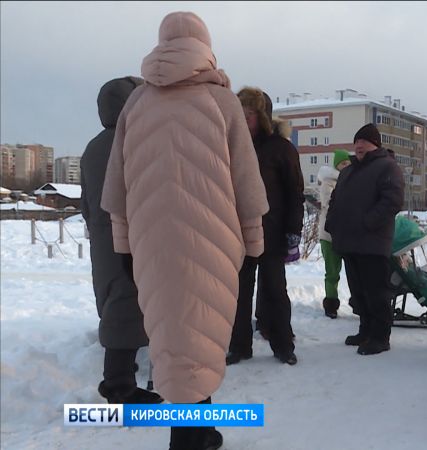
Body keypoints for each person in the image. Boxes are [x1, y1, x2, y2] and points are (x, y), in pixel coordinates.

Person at [101, 12, 268, 450]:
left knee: (172, 335)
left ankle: (196, 430)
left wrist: (123, 241)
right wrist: (254, 238)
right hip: (213, 239)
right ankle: (189, 437)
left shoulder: (136, 104)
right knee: (202, 333)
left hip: (150, 241)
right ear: (205, 45)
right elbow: (247, 182)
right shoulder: (222, 101)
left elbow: (115, 185)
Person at [81, 76, 163, 406]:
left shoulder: (92, 147)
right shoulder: (133, 141)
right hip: (131, 235)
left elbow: (86, 203)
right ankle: (118, 388)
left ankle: (122, 376)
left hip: (103, 237)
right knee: (127, 304)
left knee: (117, 300)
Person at [227, 87, 304, 366]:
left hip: (272, 232)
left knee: (274, 290)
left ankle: (283, 344)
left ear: (262, 116)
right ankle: (239, 346)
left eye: (248, 115)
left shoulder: (281, 149)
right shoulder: (232, 146)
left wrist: (293, 230)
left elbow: (295, 192)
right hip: (239, 232)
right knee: (240, 292)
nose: (244, 120)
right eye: (240, 114)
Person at [325, 123, 404, 355]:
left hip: (372, 242)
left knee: (375, 292)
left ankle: (380, 336)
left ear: (375, 144)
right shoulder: (349, 170)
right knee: (358, 291)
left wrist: (368, 222)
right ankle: (365, 330)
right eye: (356, 142)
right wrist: (332, 223)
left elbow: (392, 201)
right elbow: (335, 200)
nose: (359, 145)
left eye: (364, 142)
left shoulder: (387, 167)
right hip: (349, 241)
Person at [317, 149, 352, 319]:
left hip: (348, 235)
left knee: (354, 272)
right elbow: (329, 204)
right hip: (329, 235)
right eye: (343, 163)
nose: (346, 166)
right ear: (337, 165)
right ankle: (331, 303)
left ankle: (358, 302)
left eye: (348, 163)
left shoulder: (352, 181)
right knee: (332, 272)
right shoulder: (328, 182)